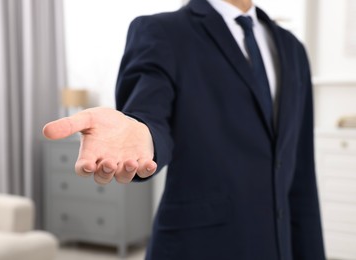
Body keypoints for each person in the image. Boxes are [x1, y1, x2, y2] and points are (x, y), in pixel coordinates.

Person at [43, 0, 326, 259]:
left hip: (278, 247)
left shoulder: (292, 49)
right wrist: (144, 133)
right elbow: (149, 113)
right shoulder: (162, 32)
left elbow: (300, 174)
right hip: (199, 247)